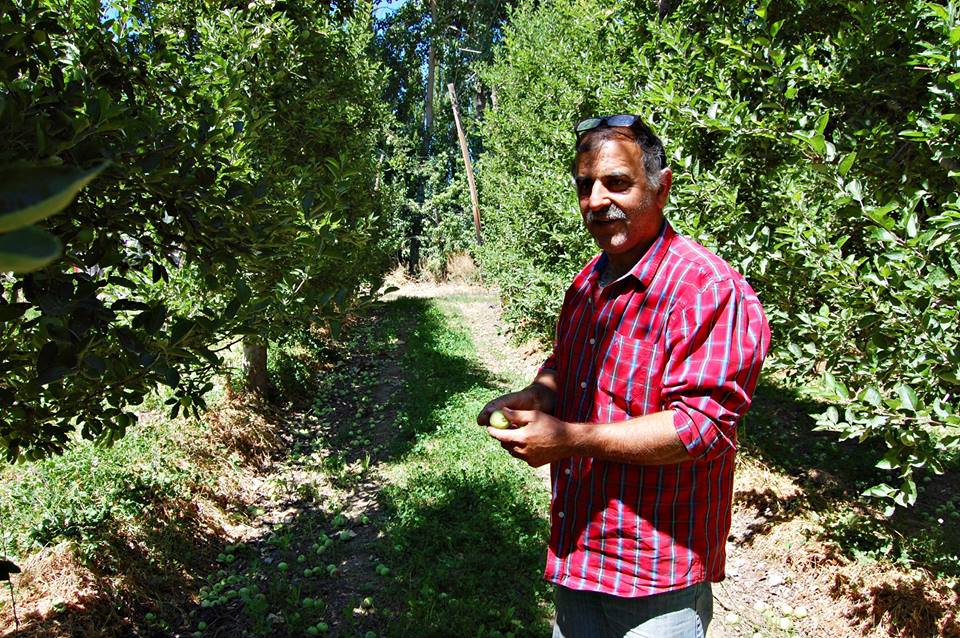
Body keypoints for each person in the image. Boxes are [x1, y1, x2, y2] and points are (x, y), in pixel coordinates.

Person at [477, 114, 771, 638]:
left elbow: (699, 427)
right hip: (580, 551)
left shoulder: (705, 289)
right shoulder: (589, 282)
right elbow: (567, 365)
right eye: (585, 185)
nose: (595, 199)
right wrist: (539, 394)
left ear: (661, 186)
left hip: (655, 576)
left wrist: (569, 440)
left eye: (616, 182)